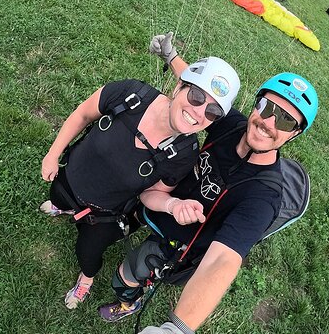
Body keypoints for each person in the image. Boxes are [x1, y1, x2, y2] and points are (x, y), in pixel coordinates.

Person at [98, 33, 318, 331]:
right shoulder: (233, 126)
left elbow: (222, 261)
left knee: (128, 273)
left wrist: (178, 328)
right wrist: (171, 57)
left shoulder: (264, 196)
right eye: (267, 108)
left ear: (295, 134)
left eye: (285, 120)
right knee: (126, 218)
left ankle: (129, 302)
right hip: (163, 196)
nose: (268, 123)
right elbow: (201, 95)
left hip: (179, 243)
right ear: (256, 105)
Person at [40, 53, 240, 310]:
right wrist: (53, 154)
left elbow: (151, 193)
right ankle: (63, 207)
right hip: (70, 178)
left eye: (212, 112)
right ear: (179, 86)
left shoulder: (184, 154)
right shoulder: (130, 94)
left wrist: (172, 205)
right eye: (197, 96)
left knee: (87, 253)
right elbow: (83, 115)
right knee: (56, 196)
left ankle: (86, 279)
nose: (199, 112)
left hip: (104, 214)